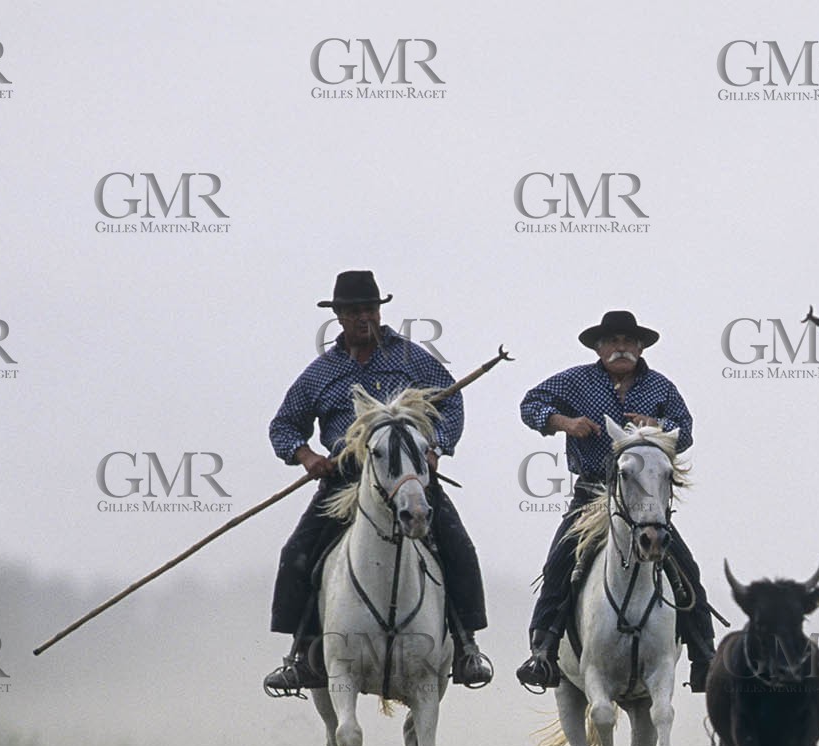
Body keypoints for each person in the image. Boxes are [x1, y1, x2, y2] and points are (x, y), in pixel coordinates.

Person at [263, 270, 493, 694]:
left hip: (409, 475)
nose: (362, 317)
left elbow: (451, 401)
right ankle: (300, 655)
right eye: (353, 311)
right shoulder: (320, 373)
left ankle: (465, 647)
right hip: (345, 482)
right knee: (297, 553)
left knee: (458, 547)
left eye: (369, 309)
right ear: (339, 317)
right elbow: (284, 425)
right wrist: (307, 455)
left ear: (379, 311)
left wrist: (436, 448)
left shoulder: (412, 359)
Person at [515, 310, 716, 692]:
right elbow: (530, 404)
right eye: (612, 341)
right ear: (599, 347)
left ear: (640, 347)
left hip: (643, 498)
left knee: (685, 567)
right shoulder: (575, 381)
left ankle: (703, 656)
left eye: (628, 341)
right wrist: (564, 423)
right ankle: (542, 652)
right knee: (559, 561)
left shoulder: (661, 387)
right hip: (591, 493)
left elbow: (684, 432)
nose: (621, 347)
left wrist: (656, 428)